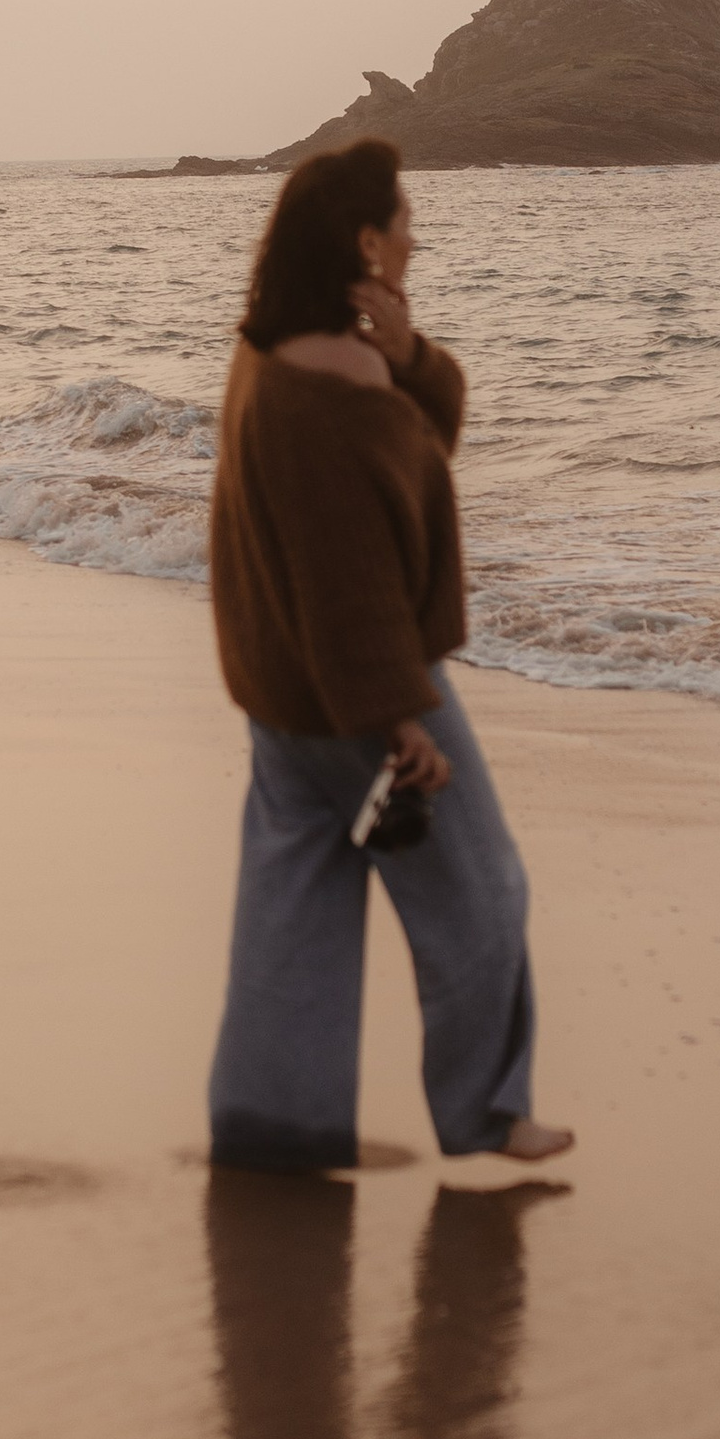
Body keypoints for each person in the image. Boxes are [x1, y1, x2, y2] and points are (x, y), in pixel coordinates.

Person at [203, 136, 574, 1173]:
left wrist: (411, 355)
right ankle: (488, 1116)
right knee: (481, 891)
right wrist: (399, 719)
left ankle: (272, 1124)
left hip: (279, 682)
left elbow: (417, 449)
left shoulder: (267, 349)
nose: (416, 232)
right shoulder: (336, 379)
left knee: (295, 902)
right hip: (356, 692)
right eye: (403, 217)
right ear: (367, 241)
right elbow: (350, 575)